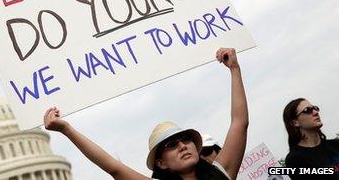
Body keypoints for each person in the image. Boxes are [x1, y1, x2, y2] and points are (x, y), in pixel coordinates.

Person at [44, 48, 248, 180]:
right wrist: (67, 129)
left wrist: (234, 69)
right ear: (161, 162)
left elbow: (239, 123)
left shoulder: (222, 173)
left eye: (185, 139)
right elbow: (113, 167)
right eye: (171, 145)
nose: (182, 146)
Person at [283, 98, 339, 179]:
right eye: (307, 110)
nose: (316, 112)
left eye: (315, 108)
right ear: (295, 122)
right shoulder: (295, 160)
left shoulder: (336, 144)